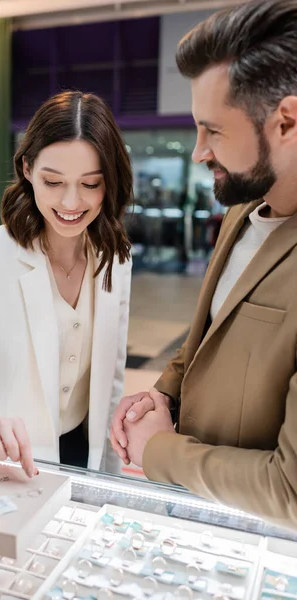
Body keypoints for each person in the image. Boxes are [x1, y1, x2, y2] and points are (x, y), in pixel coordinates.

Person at [111, 0, 297, 529]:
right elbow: (212, 339)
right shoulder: (242, 209)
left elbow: (291, 491)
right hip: (194, 520)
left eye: (212, 131)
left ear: (286, 121)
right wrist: (163, 390)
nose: (198, 152)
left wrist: (158, 451)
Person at [0, 90, 133, 477]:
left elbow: (111, 378)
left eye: (91, 184)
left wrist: (107, 473)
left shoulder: (115, 258)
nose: (71, 202)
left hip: (82, 458)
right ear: (26, 169)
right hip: (1, 464)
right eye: (53, 181)